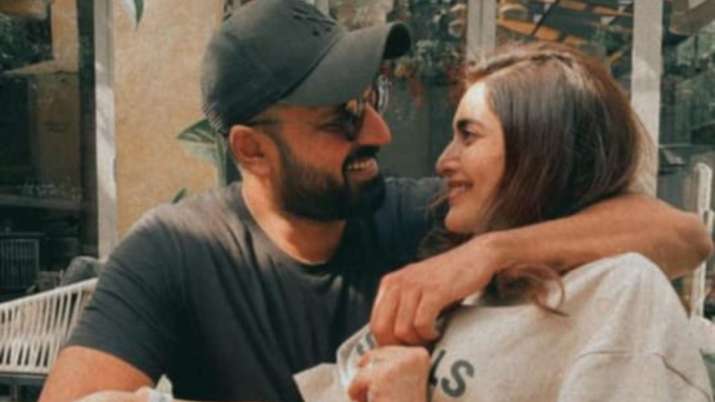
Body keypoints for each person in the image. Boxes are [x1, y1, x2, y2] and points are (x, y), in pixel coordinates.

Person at [39, 1, 712, 402]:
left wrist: (486, 253)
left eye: (371, 101)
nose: (381, 134)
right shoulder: (175, 252)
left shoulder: (424, 220)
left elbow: (682, 237)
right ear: (252, 150)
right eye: (341, 119)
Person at [296, 42, 713, 402]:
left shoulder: (620, 293)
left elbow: (688, 236)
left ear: (541, 153)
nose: (443, 161)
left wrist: (488, 253)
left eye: (469, 135)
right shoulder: (456, 273)